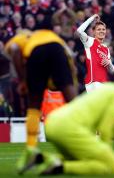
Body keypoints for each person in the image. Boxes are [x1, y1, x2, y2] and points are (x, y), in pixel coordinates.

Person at [21, 69, 114, 175]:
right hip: (69, 128)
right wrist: (106, 152)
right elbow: (105, 128)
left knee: (79, 160)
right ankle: (60, 167)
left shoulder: (110, 89)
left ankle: (40, 158)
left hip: (53, 123)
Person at [5, 29, 77, 174]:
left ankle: (31, 149)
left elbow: (14, 50)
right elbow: (70, 60)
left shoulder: (17, 40)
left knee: (34, 104)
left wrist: (22, 80)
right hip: (58, 50)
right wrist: (70, 80)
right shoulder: (51, 36)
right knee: (73, 102)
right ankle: (85, 141)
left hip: (37, 53)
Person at [76, 14, 114, 92]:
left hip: (104, 83)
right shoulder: (90, 41)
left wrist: (109, 63)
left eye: (103, 29)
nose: (101, 31)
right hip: (93, 83)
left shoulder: (106, 49)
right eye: (99, 29)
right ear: (93, 32)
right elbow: (79, 31)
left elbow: (112, 70)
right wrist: (92, 18)